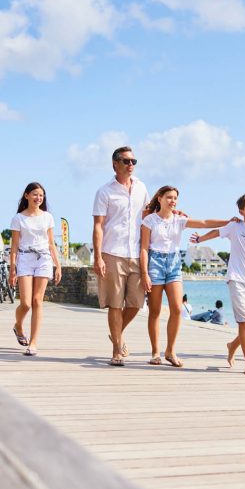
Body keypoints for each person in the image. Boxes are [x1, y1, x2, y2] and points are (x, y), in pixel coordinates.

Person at [140, 185, 232, 367]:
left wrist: (228, 222)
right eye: (169, 197)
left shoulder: (179, 220)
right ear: (159, 198)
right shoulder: (149, 220)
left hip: (174, 264)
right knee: (155, 311)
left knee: (177, 309)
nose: (172, 201)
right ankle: (155, 352)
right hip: (154, 264)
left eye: (175, 198)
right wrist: (144, 274)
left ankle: (170, 351)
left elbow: (204, 223)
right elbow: (143, 248)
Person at [191, 192, 245, 376]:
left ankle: (232, 345)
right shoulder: (235, 226)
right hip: (236, 279)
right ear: (241, 211)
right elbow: (215, 232)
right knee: (244, 323)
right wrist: (200, 239)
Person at [92, 146, 150, 367]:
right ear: (115, 164)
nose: (131, 165)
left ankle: (117, 334)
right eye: (126, 161)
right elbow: (98, 226)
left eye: (134, 161)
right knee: (115, 304)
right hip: (112, 252)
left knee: (136, 303)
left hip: (136, 253)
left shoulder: (141, 187)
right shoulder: (104, 191)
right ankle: (116, 348)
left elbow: (149, 215)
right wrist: (98, 257)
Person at [9, 182, 62, 356]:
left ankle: (33, 343)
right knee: (25, 303)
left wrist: (58, 265)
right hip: (25, 258)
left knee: (37, 301)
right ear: (26, 196)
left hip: (44, 259)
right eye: (35, 194)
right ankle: (18, 325)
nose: (38, 198)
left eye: (41, 195)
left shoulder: (47, 217)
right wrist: (12, 269)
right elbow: (14, 246)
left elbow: (51, 243)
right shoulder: (18, 218)